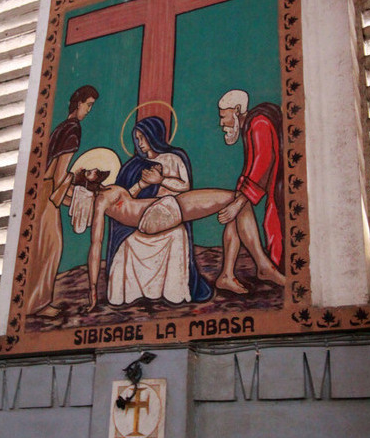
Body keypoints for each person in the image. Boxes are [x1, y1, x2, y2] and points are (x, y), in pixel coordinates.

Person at [82, 170, 243, 311]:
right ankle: (230, 274)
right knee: (236, 198)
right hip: (155, 214)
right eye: (88, 172)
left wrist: (141, 184)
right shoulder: (101, 200)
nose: (94, 168)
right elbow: (96, 243)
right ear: (86, 183)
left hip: (157, 211)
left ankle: (229, 273)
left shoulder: (110, 190)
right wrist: (93, 288)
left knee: (236, 199)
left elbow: (128, 203)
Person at [106, 116, 212, 306]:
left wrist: (160, 180)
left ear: (153, 136)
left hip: (170, 218)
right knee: (128, 242)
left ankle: (173, 292)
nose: (140, 143)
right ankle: (131, 293)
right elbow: (123, 198)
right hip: (142, 221)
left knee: (177, 234)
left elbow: (185, 186)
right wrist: (142, 184)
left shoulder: (175, 158)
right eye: (137, 139)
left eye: (143, 138)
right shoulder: (133, 166)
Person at [26, 84, 99, 317]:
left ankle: (35, 303)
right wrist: (73, 196)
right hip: (48, 191)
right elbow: (59, 174)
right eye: (88, 105)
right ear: (78, 103)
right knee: (51, 246)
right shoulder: (73, 129)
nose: (89, 110)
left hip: (42, 191)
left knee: (42, 246)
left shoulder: (60, 127)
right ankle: (38, 304)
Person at [215, 89, 285, 294]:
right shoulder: (252, 125)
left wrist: (239, 201)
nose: (221, 123)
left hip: (280, 189)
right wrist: (239, 199)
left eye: (223, 116)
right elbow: (252, 169)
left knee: (266, 221)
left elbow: (263, 162)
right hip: (272, 185)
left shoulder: (259, 123)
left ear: (236, 110)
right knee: (237, 207)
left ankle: (260, 267)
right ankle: (229, 274)